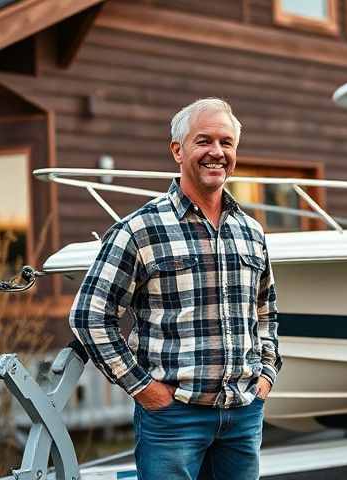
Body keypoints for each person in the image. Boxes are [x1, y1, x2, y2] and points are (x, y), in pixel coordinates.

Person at [69, 98, 281, 480]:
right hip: (173, 418)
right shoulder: (139, 230)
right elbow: (89, 317)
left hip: (243, 415)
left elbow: (266, 312)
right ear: (177, 150)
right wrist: (145, 390)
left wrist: (265, 375)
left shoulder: (252, 231)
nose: (216, 152)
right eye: (204, 141)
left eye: (226, 142)